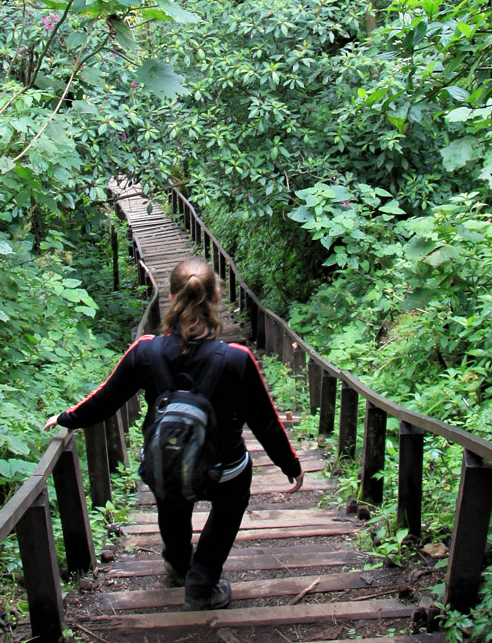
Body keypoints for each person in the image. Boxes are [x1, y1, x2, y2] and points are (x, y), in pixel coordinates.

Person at [50, 257, 303, 609]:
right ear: (216, 296)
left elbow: (106, 400)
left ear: (170, 296)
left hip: (168, 462)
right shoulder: (236, 359)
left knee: (170, 483)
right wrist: (289, 464)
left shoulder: (146, 351)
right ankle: (201, 583)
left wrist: (66, 418)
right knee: (231, 500)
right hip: (224, 467)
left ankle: (179, 562)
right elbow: (265, 421)